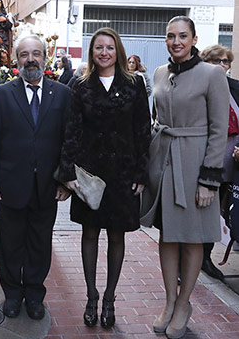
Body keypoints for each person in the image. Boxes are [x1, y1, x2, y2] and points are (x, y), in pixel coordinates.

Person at [140, 16, 229, 338]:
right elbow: (155, 118)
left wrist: (209, 179)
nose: (176, 42)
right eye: (170, 36)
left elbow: (219, 130)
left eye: (182, 36)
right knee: (168, 235)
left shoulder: (212, 74)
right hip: (163, 164)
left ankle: (184, 304)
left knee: (192, 238)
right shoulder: (160, 73)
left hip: (195, 168)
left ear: (193, 39)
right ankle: (169, 300)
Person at [58, 27, 151, 328]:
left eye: (109, 47)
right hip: (90, 175)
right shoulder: (80, 85)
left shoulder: (135, 84)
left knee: (116, 236)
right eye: (99, 47)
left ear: (118, 51)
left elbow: (142, 130)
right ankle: (91, 296)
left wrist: (141, 172)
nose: (104, 53)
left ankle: (110, 297)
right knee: (89, 234)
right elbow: (71, 130)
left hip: (123, 173)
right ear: (92, 52)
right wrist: (68, 172)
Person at [0, 35, 71, 320]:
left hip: (47, 187)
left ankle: (34, 295)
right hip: (9, 185)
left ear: (45, 57)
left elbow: (68, 140)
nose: (30, 59)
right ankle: (12, 294)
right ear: (16, 59)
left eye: (36, 53)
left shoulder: (61, 94)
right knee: (9, 244)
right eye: (24, 54)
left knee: (39, 244)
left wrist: (64, 180)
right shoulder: (2, 94)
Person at [199, 44, 239, 281]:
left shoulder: (235, 88)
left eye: (225, 62)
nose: (222, 66)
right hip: (204, 160)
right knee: (199, 212)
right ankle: (188, 262)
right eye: (216, 61)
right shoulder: (200, 88)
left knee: (219, 214)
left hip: (231, 162)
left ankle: (205, 257)